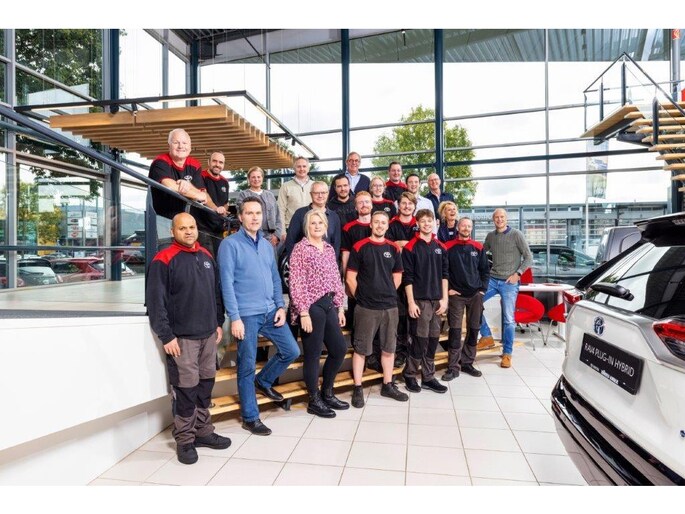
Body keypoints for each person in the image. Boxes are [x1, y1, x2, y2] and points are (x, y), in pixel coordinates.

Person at [146, 212, 230, 465]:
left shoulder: (206, 256)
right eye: (183, 228)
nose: (189, 231)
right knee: (185, 390)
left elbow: (216, 293)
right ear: (173, 232)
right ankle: (184, 439)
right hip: (182, 340)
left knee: (205, 386)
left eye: (192, 227)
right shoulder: (163, 259)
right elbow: (155, 302)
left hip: (208, 335)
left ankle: (203, 432)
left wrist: (218, 323)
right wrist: (166, 336)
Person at [217, 197, 300, 435]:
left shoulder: (266, 245)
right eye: (249, 213)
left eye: (258, 213)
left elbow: (274, 278)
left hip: (270, 311)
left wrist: (280, 307)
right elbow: (226, 284)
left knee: (291, 351)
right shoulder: (230, 245)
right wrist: (235, 317)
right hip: (246, 315)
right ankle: (250, 417)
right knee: (246, 365)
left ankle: (263, 381)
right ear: (240, 217)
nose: (255, 217)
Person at [288, 209, 349, 418]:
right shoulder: (300, 249)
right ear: (307, 226)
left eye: (320, 223)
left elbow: (336, 278)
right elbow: (295, 281)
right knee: (313, 354)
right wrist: (303, 311)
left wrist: (340, 307)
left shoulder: (329, 249)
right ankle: (314, 399)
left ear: (325, 226)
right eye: (313, 223)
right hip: (311, 306)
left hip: (329, 303)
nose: (316, 226)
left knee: (339, 349)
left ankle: (327, 392)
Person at [346, 210, 408, 407]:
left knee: (389, 348)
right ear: (371, 225)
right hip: (366, 307)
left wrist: (387, 292)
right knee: (361, 349)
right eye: (377, 222)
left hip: (390, 307)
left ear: (387, 226)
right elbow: (350, 278)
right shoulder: (360, 247)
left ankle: (388, 384)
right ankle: (357, 387)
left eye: (383, 222)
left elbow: (397, 276)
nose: (380, 225)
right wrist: (362, 297)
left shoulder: (393, 248)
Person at [401, 208, 449, 394]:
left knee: (433, 340)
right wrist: (411, 302)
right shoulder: (411, 247)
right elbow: (408, 278)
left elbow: (445, 275)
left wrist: (444, 299)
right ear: (418, 224)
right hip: (419, 301)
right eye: (423, 221)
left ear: (435, 223)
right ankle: (410, 374)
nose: (427, 224)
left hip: (437, 301)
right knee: (419, 340)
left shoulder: (441, 247)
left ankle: (428, 377)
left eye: (430, 220)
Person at [478, 208, 533, 368]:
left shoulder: (516, 234)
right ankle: (486, 336)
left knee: (509, 319)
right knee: (474, 303)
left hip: (510, 282)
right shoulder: (490, 236)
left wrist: (518, 274)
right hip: (493, 279)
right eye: (496, 217)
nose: (499, 219)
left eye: (502, 217)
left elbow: (528, 257)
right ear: (493, 220)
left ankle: (507, 353)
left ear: (506, 219)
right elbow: (481, 254)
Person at [443, 217, 490, 381]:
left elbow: (485, 270)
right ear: (458, 227)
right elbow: (443, 270)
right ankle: (453, 366)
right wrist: (448, 289)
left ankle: (467, 362)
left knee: (474, 328)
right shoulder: (448, 247)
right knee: (455, 331)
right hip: (456, 295)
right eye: (463, 225)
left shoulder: (478, 247)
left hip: (475, 295)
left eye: (469, 226)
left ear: (471, 228)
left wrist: (482, 290)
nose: (466, 228)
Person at [148, 128, 217, 220]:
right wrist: (196, 195)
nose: (181, 146)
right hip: (161, 219)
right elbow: (169, 185)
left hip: (184, 219)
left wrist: (189, 185)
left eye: (184, 143)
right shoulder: (160, 161)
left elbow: (202, 192)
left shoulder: (194, 164)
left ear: (190, 147)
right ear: (169, 145)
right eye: (176, 142)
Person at [285, 181, 341, 259]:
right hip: (303, 262)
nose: (320, 196)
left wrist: (333, 263)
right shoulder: (300, 214)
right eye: (316, 193)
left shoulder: (334, 216)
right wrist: (294, 261)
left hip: (327, 262)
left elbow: (336, 244)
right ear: (311, 194)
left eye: (323, 192)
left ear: (328, 194)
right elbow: (290, 241)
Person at [238, 166, 284, 254]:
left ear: (262, 178)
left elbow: (278, 217)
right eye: (253, 177)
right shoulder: (243, 195)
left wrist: (276, 236)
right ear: (249, 179)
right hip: (252, 237)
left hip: (272, 239)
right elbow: (241, 217)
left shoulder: (270, 195)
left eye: (258, 177)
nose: (256, 179)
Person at [197, 151, 230, 257]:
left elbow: (226, 203)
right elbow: (204, 196)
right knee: (207, 259)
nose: (217, 164)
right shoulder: (201, 176)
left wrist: (224, 209)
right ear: (209, 162)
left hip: (218, 229)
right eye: (214, 161)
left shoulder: (225, 182)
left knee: (220, 258)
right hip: (202, 228)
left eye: (221, 162)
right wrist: (216, 208)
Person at [277, 156, 313, 235]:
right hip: (291, 228)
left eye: (304, 166)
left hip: (312, 227)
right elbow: (280, 210)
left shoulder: (314, 185)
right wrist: (282, 231)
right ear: (294, 168)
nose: (301, 169)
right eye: (298, 166)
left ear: (308, 168)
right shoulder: (285, 186)